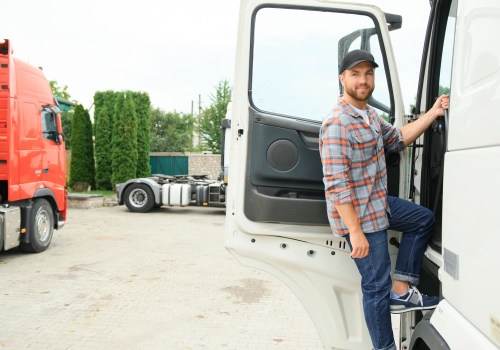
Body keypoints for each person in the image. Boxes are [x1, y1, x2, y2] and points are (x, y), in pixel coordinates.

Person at [319, 49, 449, 350]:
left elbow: (399, 139)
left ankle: (402, 288)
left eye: (368, 73)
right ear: (342, 79)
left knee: (422, 219)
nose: (363, 80)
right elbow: (337, 186)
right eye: (355, 74)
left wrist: (432, 113)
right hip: (360, 218)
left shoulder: (371, 116)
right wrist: (355, 232)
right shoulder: (337, 123)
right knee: (376, 287)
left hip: (378, 204)